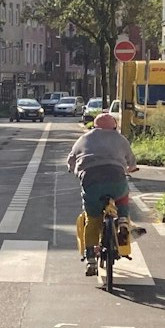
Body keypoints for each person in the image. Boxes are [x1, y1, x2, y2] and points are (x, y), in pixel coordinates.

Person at [66, 109, 138, 275]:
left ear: (94, 127)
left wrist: (72, 169)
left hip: (91, 180)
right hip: (116, 177)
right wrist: (130, 168)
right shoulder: (120, 139)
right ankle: (122, 221)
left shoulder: (84, 138)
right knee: (122, 196)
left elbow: (71, 160)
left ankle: (91, 258)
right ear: (114, 127)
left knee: (92, 219)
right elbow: (132, 163)